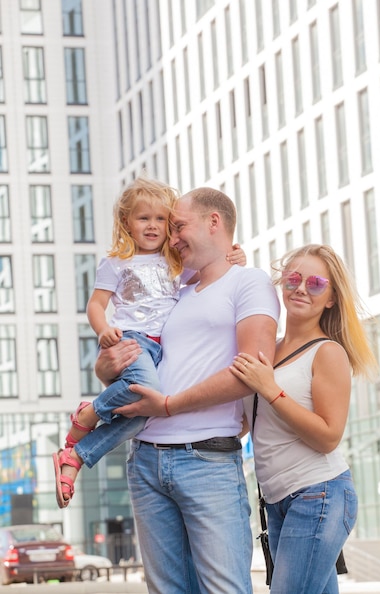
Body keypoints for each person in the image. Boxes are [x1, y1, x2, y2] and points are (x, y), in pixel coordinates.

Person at [96, 187, 280, 594]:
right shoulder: (172, 294)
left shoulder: (248, 282)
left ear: (214, 222)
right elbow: (130, 361)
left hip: (206, 460)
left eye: (177, 226)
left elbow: (253, 368)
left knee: (223, 589)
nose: (170, 237)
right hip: (144, 460)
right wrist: (105, 366)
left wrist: (167, 405)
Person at [52, 178, 245, 509]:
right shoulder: (116, 262)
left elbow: (209, 274)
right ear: (127, 221)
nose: (153, 226)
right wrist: (103, 332)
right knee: (146, 386)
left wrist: (233, 256)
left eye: (161, 220)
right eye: (144, 218)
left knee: (141, 416)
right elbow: (95, 305)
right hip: (132, 340)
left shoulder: (175, 263)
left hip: (160, 347)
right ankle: (91, 412)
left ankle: (76, 456)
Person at [229, 244, 378, 594]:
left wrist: (270, 390)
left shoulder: (327, 352)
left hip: (318, 494)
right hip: (277, 501)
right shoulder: (268, 347)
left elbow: (328, 436)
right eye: (293, 278)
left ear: (330, 298)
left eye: (314, 283)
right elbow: (251, 423)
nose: (300, 288)